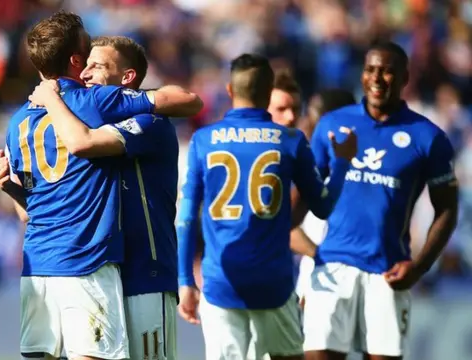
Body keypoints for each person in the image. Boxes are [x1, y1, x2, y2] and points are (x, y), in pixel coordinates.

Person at [1, 12, 202, 360]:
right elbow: (37, 209)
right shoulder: (88, 105)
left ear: (126, 78)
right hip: (93, 265)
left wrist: (51, 99)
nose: (87, 73)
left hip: (138, 274)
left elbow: (186, 100)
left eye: (98, 65)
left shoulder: (146, 122)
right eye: (86, 63)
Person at [175, 53, 357, 360]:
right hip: (274, 283)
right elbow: (323, 206)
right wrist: (341, 163)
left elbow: (186, 217)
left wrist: (184, 280)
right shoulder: (291, 140)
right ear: (267, 92)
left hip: (222, 281)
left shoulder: (203, 140)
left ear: (231, 91)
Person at [303, 41, 459, 360]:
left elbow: (447, 209)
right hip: (333, 267)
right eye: (371, 70)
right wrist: (304, 247)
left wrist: (420, 266)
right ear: (362, 75)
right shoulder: (332, 125)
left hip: (387, 272)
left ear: (404, 79)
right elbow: (302, 194)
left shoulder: (427, 137)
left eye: (388, 72)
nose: (377, 78)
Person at [293, 89, 356, 304]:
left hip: (338, 281)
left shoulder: (347, 177)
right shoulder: (305, 167)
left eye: (310, 114)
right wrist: (319, 257)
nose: (303, 121)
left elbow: (286, 226)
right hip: (317, 279)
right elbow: (287, 226)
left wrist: (322, 259)